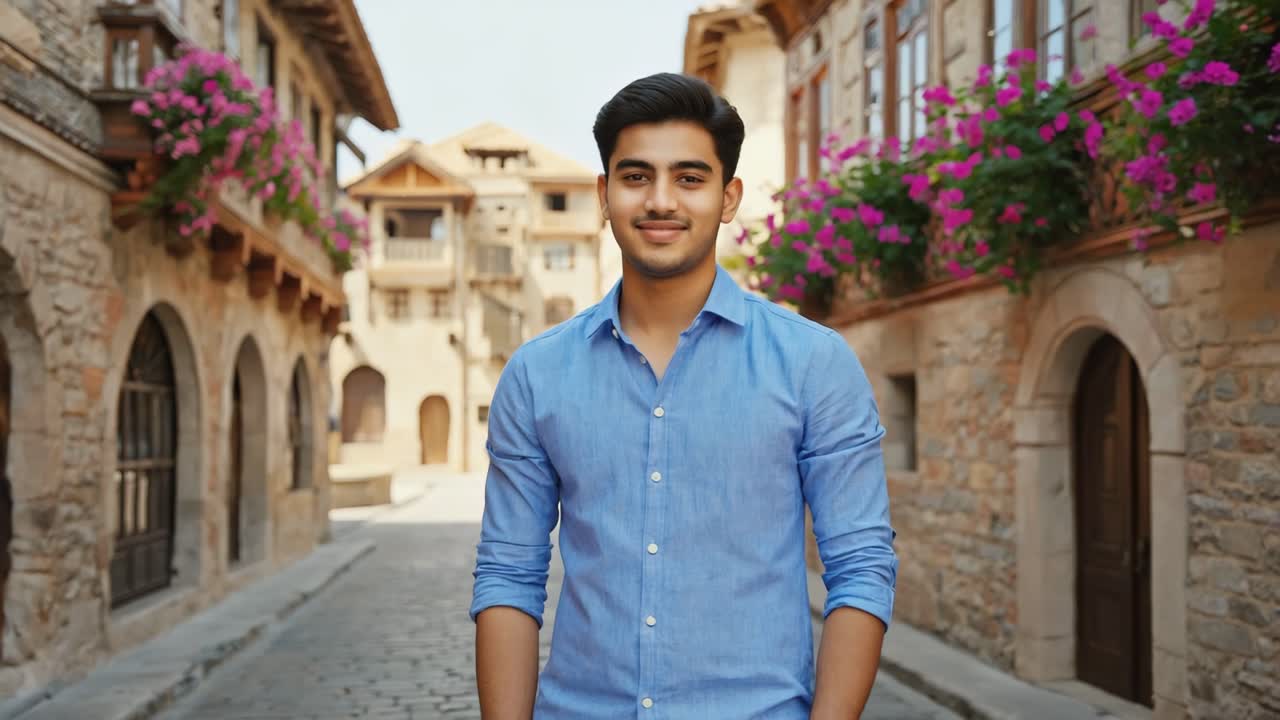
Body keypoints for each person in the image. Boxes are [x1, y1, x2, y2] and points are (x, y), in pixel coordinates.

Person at [471, 72, 897, 719]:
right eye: (636, 176)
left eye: (690, 178)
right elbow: (509, 574)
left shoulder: (814, 365)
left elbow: (861, 566)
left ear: (728, 198)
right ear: (604, 193)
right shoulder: (536, 376)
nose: (660, 200)